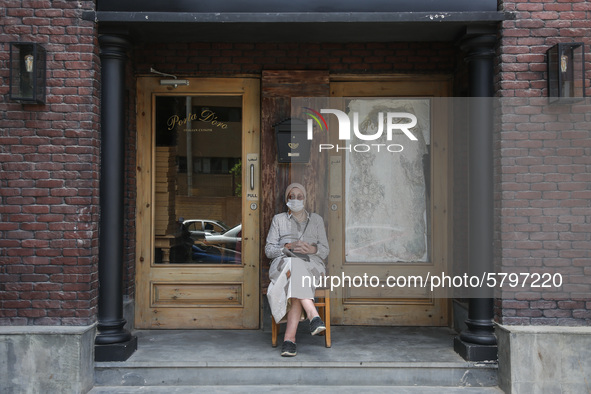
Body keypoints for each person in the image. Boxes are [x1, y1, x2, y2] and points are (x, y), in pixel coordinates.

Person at [265, 182, 329, 357]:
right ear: (286, 199)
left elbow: (325, 249)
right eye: (291, 197)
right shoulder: (278, 220)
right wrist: (287, 247)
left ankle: (289, 340)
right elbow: (269, 250)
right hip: (283, 265)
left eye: (299, 196)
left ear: (305, 199)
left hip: (312, 265)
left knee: (297, 274)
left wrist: (312, 249)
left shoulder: (316, 220)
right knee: (294, 266)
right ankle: (312, 314)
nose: (295, 200)